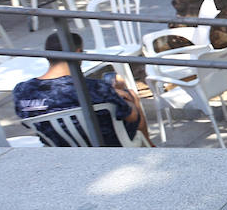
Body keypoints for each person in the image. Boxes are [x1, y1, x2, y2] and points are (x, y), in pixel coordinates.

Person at [12, 31, 152, 146]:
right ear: (78, 53)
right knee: (130, 95)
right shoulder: (94, 88)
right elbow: (132, 117)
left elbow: (28, 124)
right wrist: (122, 96)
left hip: (60, 148)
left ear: (47, 55)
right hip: (109, 143)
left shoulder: (22, 91)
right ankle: (150, 146)